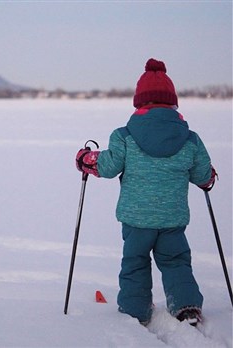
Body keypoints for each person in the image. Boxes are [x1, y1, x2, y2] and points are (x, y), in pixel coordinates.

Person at [75, 58, 217, 326]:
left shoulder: (124, 135)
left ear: (139, 102)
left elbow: (108, 165)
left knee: (135, 263)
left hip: (136, 219)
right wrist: (209, 176)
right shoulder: (190, 139)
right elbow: (202, 176)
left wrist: (87, 159)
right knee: (176, 262)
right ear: (173, 103)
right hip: (172, 219)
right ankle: (187, 308)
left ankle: (134, 311)